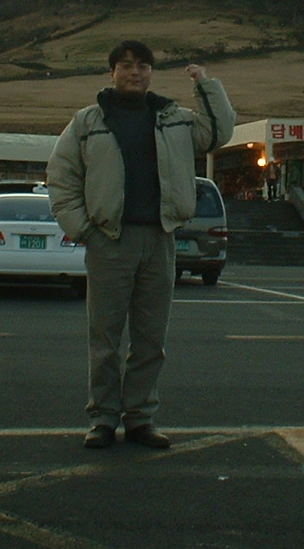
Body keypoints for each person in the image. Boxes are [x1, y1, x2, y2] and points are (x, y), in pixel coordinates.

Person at [47, 41, 235, 450]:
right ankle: (102, 419)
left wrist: (205, 85)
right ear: (112, 72)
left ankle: (140, 418)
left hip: (159, 240)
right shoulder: (87, 122)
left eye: (143, 66)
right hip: (109, 241)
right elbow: (61, 179)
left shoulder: (174, 119)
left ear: (151, 73)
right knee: (105, 340)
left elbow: (218, 132)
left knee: (150, 340)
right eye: (127, 65)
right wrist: (85, 230)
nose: (135, 72)